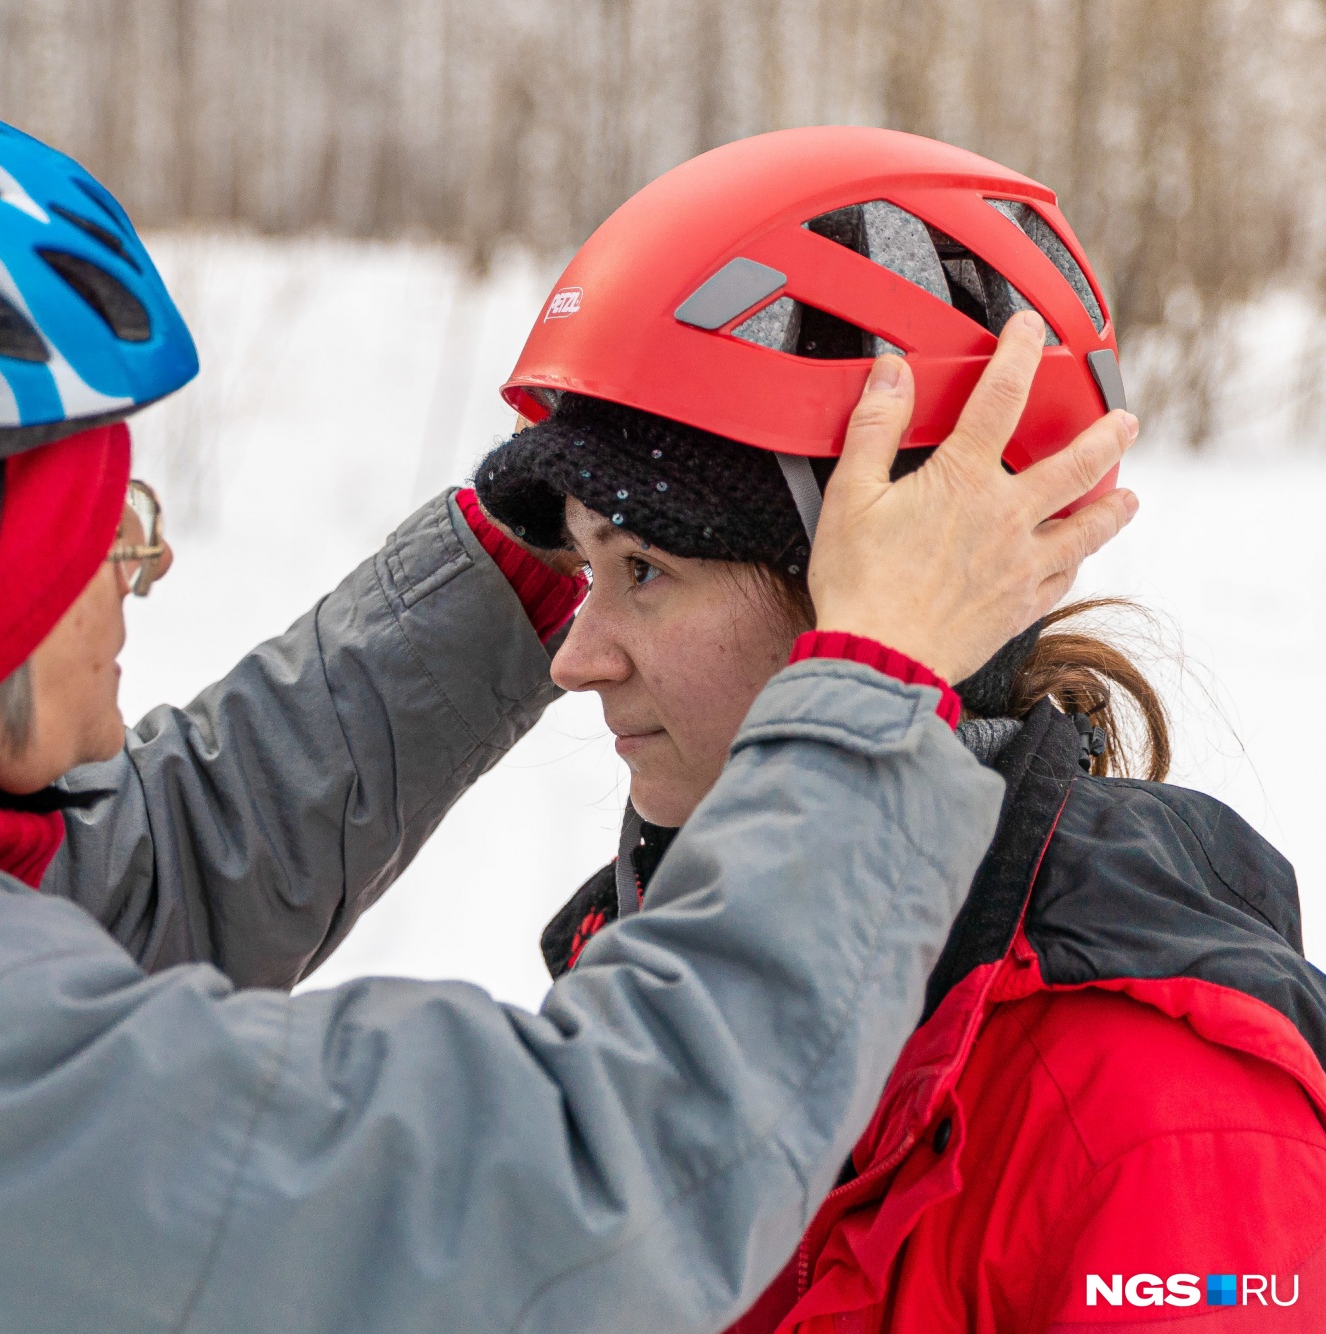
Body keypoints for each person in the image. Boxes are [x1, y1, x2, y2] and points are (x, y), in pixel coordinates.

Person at [0, 84, 1131, 1333]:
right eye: (97, 539)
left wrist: (522, 548)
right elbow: (607, 1183)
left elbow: (141, 877)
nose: (133, 584)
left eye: (647, 571)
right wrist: (875, 685)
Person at [475, 126, 1326, 1331]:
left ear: (889, 583)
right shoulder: (649, 996)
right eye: (582, 568)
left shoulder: (1156, 1114)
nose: (576, 653)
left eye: (647, 570)